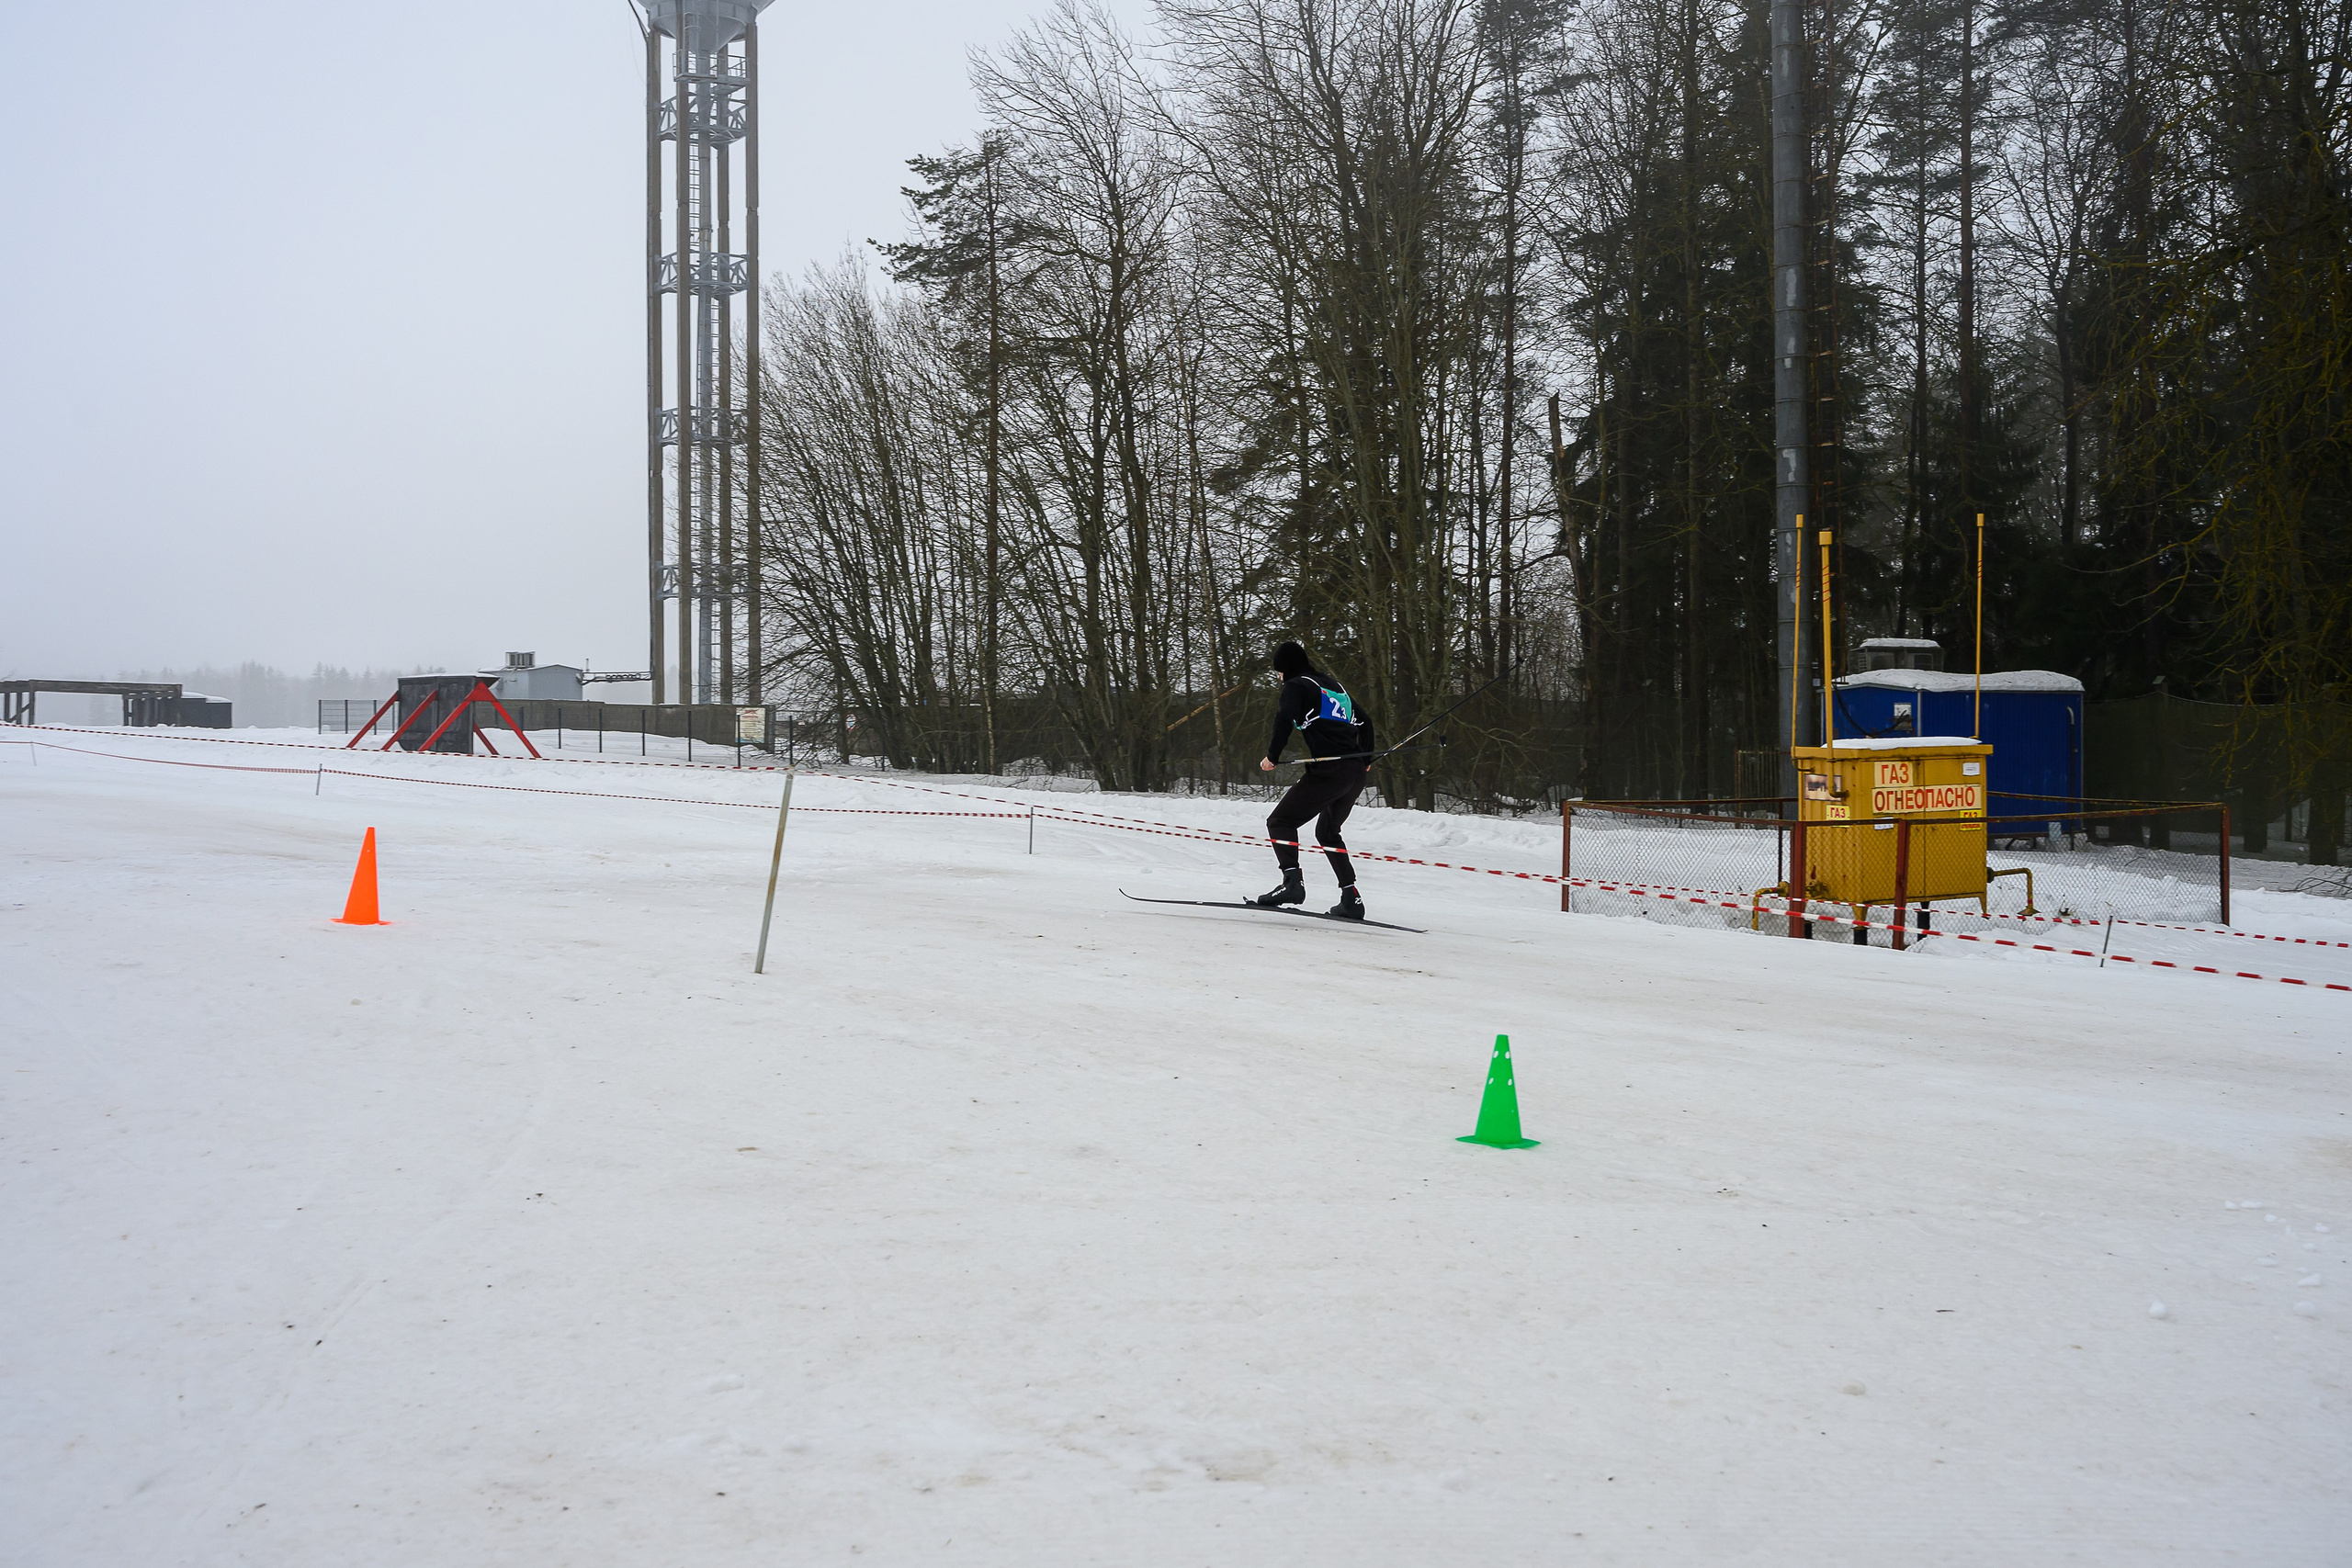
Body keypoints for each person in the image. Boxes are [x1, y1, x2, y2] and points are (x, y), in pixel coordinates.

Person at [1252, 641, 1375, 919]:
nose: (1279, 678)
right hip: (1354, 772)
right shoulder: (1333, 686)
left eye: (1278, 672)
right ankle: (1351, 898)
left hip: (1330, 771)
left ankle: (1292, 883)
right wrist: (1365, 761)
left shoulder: (1296, 686)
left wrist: (1272, 756)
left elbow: (1284, 718)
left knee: (1280, 822)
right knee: (1328, 832)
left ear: (1285, 669)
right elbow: (1365, 722)